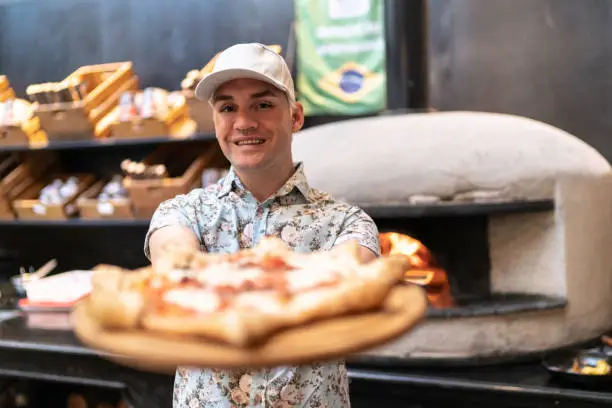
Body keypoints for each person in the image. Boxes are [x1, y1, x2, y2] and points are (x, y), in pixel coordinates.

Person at [144, 42, 380, 408]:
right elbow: (176, 270)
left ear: (296, 117)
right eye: (227, 108)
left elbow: (345, 285)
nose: (244, 122)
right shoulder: (181, 213)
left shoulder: (347, 224)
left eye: (263, 104)